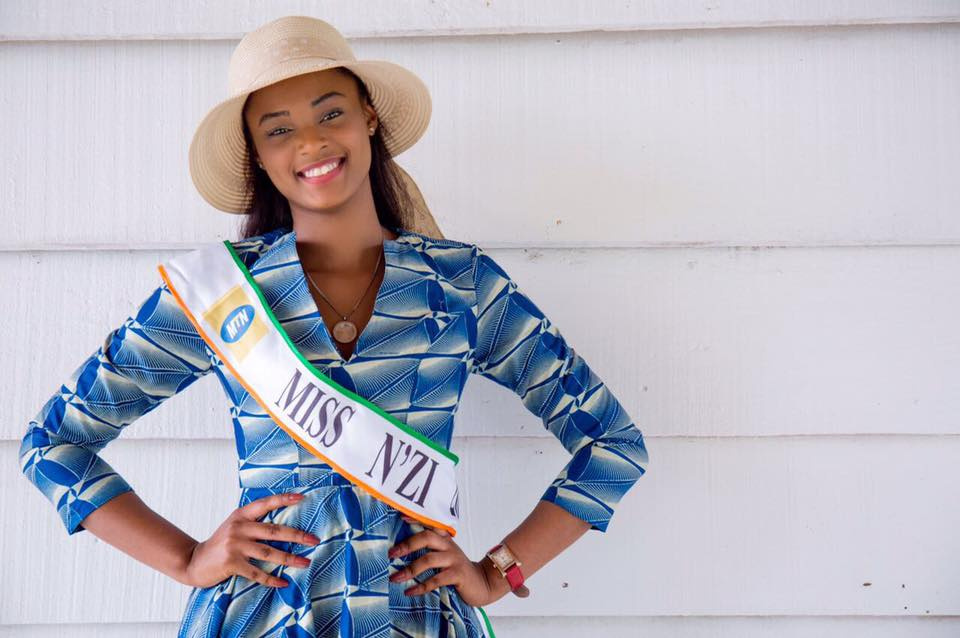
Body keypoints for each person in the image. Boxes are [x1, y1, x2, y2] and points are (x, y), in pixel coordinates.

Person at [17, 15, 650, 638]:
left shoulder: (462, 285)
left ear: (368, 118)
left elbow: (612, 444)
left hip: (417, 620)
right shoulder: (218, 296)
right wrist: (187, 560)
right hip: (261, 618)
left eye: (330, 114)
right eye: (279, 130)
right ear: (259, 158)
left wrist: (497, 573)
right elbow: (53, 444)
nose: (311, 143)